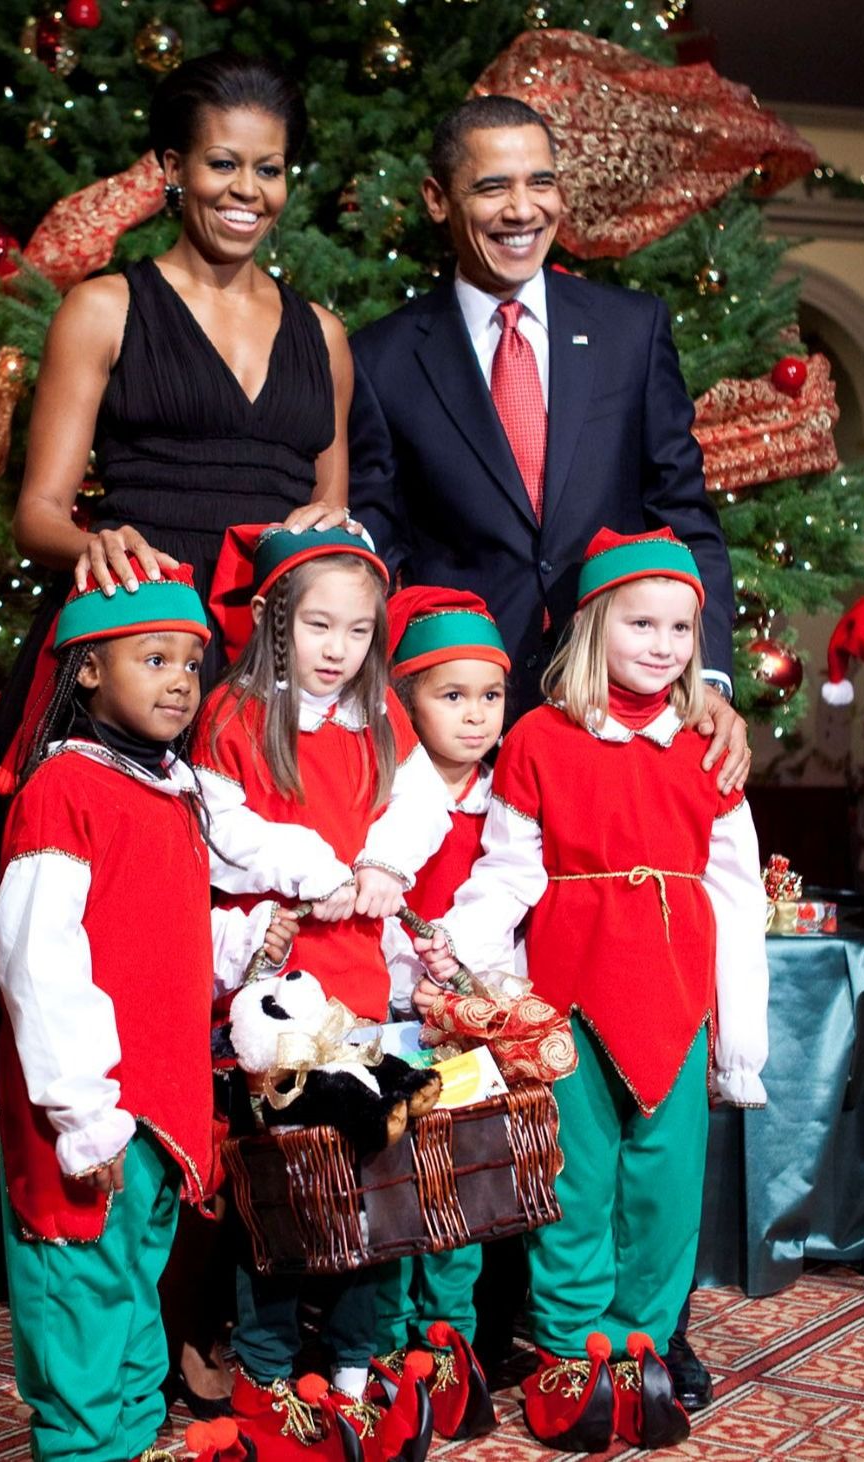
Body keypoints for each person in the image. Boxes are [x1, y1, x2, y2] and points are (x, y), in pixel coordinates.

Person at [344, 89, 750, 1404]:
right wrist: (419, 689)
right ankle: (473, 1317)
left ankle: (635, 1324)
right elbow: (380, 534)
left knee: (623, 1058)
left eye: (540, 185)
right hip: (460, 720)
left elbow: (680, 509)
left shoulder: (627, 327)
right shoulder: (388, 353)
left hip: (613, 712)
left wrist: (709, 674)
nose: (520, 209)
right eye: (490, 188)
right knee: (484, 1016)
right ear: (440, 202)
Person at [0, 51, 358, 1052]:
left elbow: (331, 515)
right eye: (221, 165)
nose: (246, 191)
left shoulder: (321, 335)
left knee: (268, 933)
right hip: (135, 649)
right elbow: (37, 512)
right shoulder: (104, 308)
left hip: (261, 676)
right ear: (169, 168)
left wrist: (335, 542)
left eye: (269, 169)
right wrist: (94, 535)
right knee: (94, 933)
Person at [418, 528, 768, 1454]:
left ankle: (642, 1341)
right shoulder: (538, 739)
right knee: (575, 1178)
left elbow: (738, 892)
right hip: (568, 998)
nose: (662, 645)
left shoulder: (706, 747)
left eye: (682, 629)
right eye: (641, 622)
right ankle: (569, 1349)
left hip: (678, 995)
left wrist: (740, 1035)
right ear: (593, 624)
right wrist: (456, 958)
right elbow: (506, 873)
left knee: (665, 1184)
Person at [0, 563, 297, 1462]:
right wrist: (80, 1112)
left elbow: (149, 927)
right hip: (92, 1110)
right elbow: (38, 959)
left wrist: (235, 946)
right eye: (154, 658)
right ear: (87, 669)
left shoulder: (169, 790)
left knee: (133, 1296)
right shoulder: (63, 791)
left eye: (192, 664)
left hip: (157, 1107)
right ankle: (87, 1451)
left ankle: (125, 1444)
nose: (179, 680)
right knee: (83, 1293)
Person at [193, 522, 451, 1459]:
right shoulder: (231, 714)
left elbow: (423, 806)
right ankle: (266, 1369)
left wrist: (383, 863)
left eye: (356, 631)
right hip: (278, 994)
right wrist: (320, 869)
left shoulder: (379, 720)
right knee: (283, 1190)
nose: (338, 650)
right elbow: (230, 826)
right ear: (275, 623)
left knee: (370, 1186)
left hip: (364, 991)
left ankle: (355, 1361)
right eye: (319, 628)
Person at [375, 584, 516, 1442]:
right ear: (406, 700)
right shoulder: (390, 794)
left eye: (490, 695)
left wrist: (468, 972)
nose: (474, 717)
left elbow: (512, 895)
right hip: (392, 1015)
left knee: (458, 1187)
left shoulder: (505, 797)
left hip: (468, 1019)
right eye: (450, 695)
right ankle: (391, 1350)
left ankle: (450, 1337)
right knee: (394, 1186)